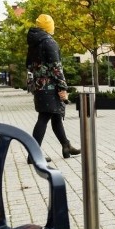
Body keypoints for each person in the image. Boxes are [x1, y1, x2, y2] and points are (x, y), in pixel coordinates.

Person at [26, 14, 81, 161]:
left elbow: (29, 66)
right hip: (50, 86)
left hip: (39, 85)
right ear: (50, 26)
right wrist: (62, 86)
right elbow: (56, 67)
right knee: (44, 117)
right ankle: (33, 154)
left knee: (55, 116)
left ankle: (66, 145)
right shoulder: (49, 42)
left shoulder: (34, 43)